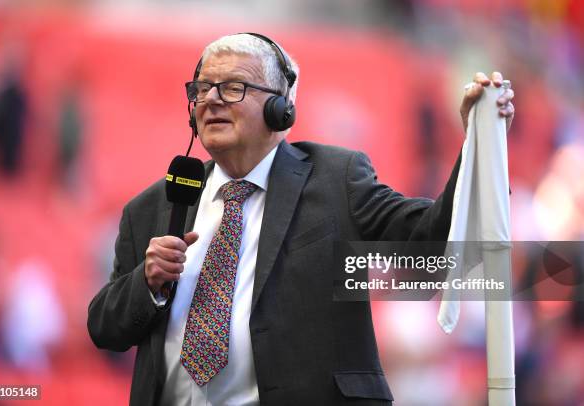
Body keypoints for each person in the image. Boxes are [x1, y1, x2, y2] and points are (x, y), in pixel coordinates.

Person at [87, 33, 515, 406]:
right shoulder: (152, 207)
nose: (211, 98)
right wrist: (147, 282)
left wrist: (479, 144)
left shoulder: (335, 179)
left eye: (233, 87)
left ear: (280, 109)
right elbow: (104, 328)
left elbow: (430, 244)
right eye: (202, 88)